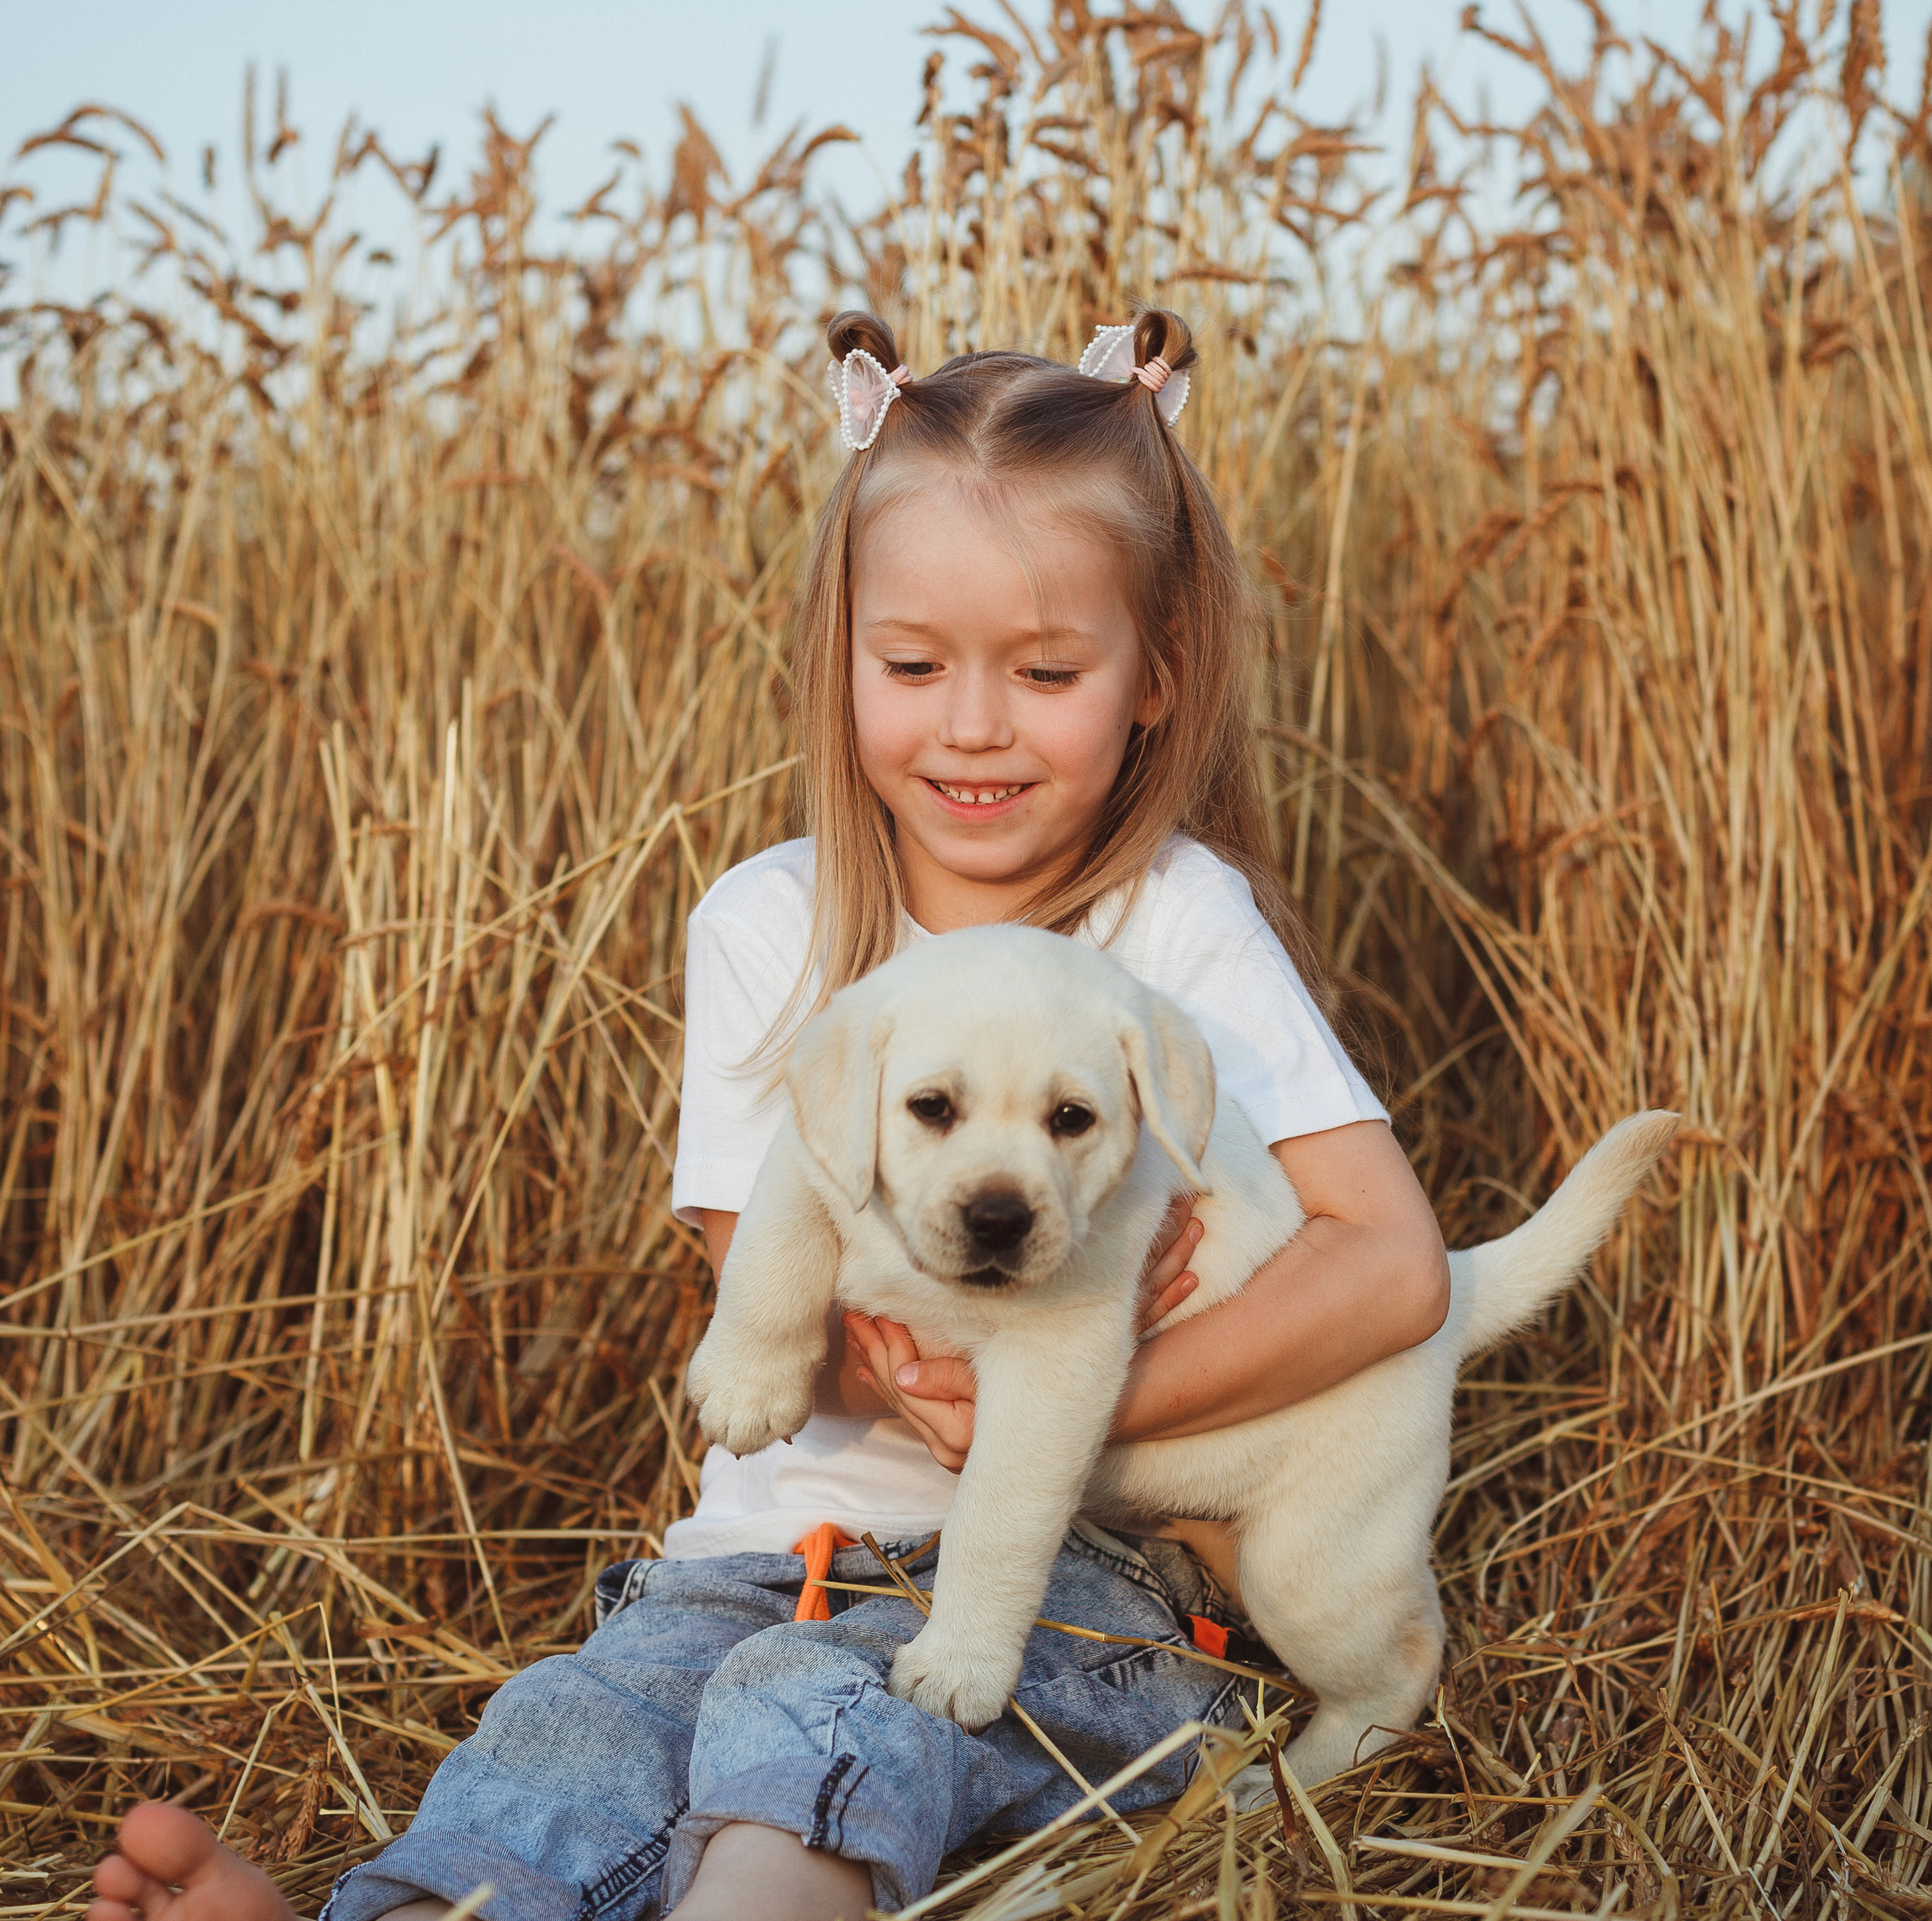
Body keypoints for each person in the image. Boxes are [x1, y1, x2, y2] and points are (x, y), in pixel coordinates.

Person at [89, 308, 1450, 1921]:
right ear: (839, 657)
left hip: (1076, 1574)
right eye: (912, 663)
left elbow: (1395, 1265)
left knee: (811, 1745)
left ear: (1153, 675)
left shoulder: (1174, 922)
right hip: (754, 1550)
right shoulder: (769, 928)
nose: (973, 722)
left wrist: (1098, 1389)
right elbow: (783, 1326)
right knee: (578, 1730)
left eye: (1045, 668)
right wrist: (924, 1349)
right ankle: (411, 1905)